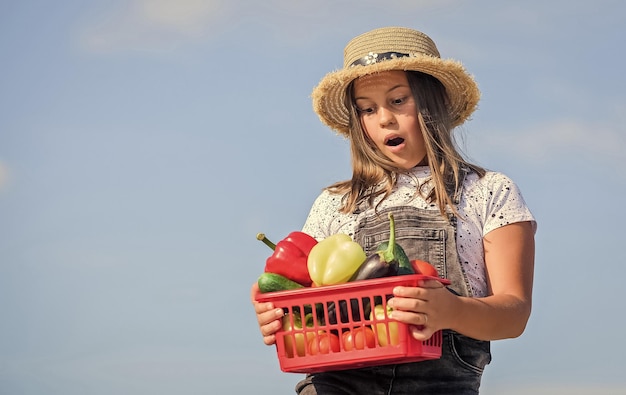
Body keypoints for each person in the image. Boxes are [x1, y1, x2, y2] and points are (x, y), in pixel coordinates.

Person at [250, 26, 536, 394]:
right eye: (367, 109)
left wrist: (449, 310)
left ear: (435, 102)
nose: (384, 118)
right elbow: (298, 292)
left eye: (398, 100)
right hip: (338, 383)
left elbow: (514, 314)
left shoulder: (487, 191)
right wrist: (271, 310)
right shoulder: (335, 204)